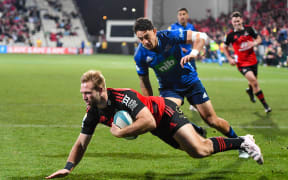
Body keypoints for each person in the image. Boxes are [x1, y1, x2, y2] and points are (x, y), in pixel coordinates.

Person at [45, 70, 263, 179]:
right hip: (157, 128)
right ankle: (243, 141)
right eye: (82, 92)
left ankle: (244, 142)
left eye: (87, 93)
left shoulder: (124, 97)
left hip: (164, 112)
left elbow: (147, 120)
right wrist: (68, 167)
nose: (83, 96)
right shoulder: (92, 113)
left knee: (198, 149)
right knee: (200, 150)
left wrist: (121, 133)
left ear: (101, 90)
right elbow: (81, 143)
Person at [133, 17, 251, 158]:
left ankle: (242, 142)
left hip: (190, 81)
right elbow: (144, 81)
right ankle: (195, 129)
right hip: (169, 89)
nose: (145, 42)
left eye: (147, 37)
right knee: (165, 114)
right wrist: (149, 103)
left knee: (212, 120)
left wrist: (193, 53)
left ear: (154, 31)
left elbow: (201, 36)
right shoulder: (140, 55)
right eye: (141, 39)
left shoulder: (169, 36)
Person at [223, 11, 272, 113]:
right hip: (241, 63)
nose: (236, 23)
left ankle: (250, 91)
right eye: (234, 22)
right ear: (232, 23)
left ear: (241, 20)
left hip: (253, 61)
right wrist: (229, 58)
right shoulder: (230, 35)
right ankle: (266, 106)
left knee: (253, 83)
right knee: (254, 81)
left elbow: (259, 39)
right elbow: (225, 48)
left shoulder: (249, 29)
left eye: (238, 21)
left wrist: (253, 43)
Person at [168, 8, 198, 112]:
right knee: (178, 81)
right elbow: (170, 42)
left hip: (190, 58)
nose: (182, 16)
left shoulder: (191, 27)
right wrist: (180, 48)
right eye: (180, 14)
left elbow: (195, 40)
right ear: (177, 16)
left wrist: (195, 51)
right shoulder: (173, 27)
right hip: (178, 58)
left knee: (193, 80)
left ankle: (193, 104)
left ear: (187, 16)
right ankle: (175, 103)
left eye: (184, 14)